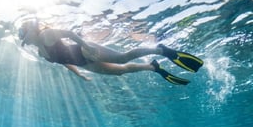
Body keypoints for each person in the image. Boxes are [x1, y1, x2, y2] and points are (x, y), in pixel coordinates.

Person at [18, 20, 203, 85]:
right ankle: (153, 67)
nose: (24, 40)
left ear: (31, 32)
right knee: (120, 71)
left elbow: (69, 34)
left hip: (85, 50)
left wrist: (87, 46)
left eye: (24, 35)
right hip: (83, 63)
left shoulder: (46, 35)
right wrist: (78, 74)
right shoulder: (42, 54)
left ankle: (161, 50)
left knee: (123, 58)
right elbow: (64, 62)